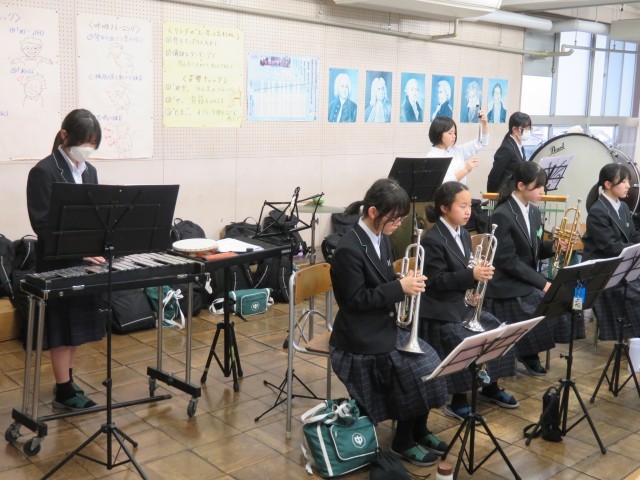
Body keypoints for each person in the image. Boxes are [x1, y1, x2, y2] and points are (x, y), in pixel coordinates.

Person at [329, 178, 448, 467]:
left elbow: (380, 280)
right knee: (414, 371)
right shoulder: (348, 249)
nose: (398, 224)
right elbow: (355, 300)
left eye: (401, 218)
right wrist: (399, 288)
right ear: (373, 212)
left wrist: (400, 280)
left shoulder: (380, 236)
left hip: (382, 324)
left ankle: (419, 429)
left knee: (431, 360)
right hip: (358, 335)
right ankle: (402, 440)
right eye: (395, 218)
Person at [26, 109, 106, 410]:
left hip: (85, 261)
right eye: (84, 142)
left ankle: (68, 379)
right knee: (61, 327)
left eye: (93, 144)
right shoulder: (44, 171)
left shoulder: (89, 172)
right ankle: (63, 389)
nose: (88, 149)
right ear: (64, 136)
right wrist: (79, 250)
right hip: (57, 261)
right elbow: (42, 223)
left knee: (77, 327)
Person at [420, 182, 518, 422]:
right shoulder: (432, 239)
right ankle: (458, 399)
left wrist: (472, 285)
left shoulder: (463, 233)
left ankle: (490, 385)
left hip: (460, 304)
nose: (468, 211)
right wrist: (471, 276)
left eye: (469, 206)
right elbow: (436, 281)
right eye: (462, 206)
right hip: (439, 310)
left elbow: (464, 270)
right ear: (444, 208)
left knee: (499, 330)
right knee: (466, 341)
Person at [483, 162, 569, 375]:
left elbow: (534, 249)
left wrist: (553, 246)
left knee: (562, 299)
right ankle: (527, 351)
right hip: (505, 283)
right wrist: (543, 282)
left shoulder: (534, 212)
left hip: (523, 278)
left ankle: (530, 349)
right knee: (543, 301)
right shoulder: (502, 214)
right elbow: (507, 261)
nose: (542, 192)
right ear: (521, 185)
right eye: (538, 186)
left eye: (543, 186)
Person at [582, 163, 640, 340]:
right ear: (608, 184)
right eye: (623, 182)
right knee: (634, 295)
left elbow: (632, 235)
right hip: (603, 269)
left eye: (628, 181)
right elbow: (611, 247)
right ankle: (632, 339)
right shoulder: (598, 211)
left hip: (621, 263)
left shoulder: (623, 207)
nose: (628, 186)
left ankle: (634, 339)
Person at [427, 114, 489, 186]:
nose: (454, 136)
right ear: (438, 134)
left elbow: (481, 142)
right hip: (447, 193)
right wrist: (465, 170)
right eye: (450, 133)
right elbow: (441, 184)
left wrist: (484, 124)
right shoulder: (431, 157)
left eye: (454, 133)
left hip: (461, 191)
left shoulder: (457, 150)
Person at [487, 112, 532, 193]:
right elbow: (494, 175)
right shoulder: (506, 148)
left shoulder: (519, 145)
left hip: (515, 191)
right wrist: (491, 196)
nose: (528, 131)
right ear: (514, 129)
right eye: (525, 129)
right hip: (505, 193)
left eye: (529, 128)